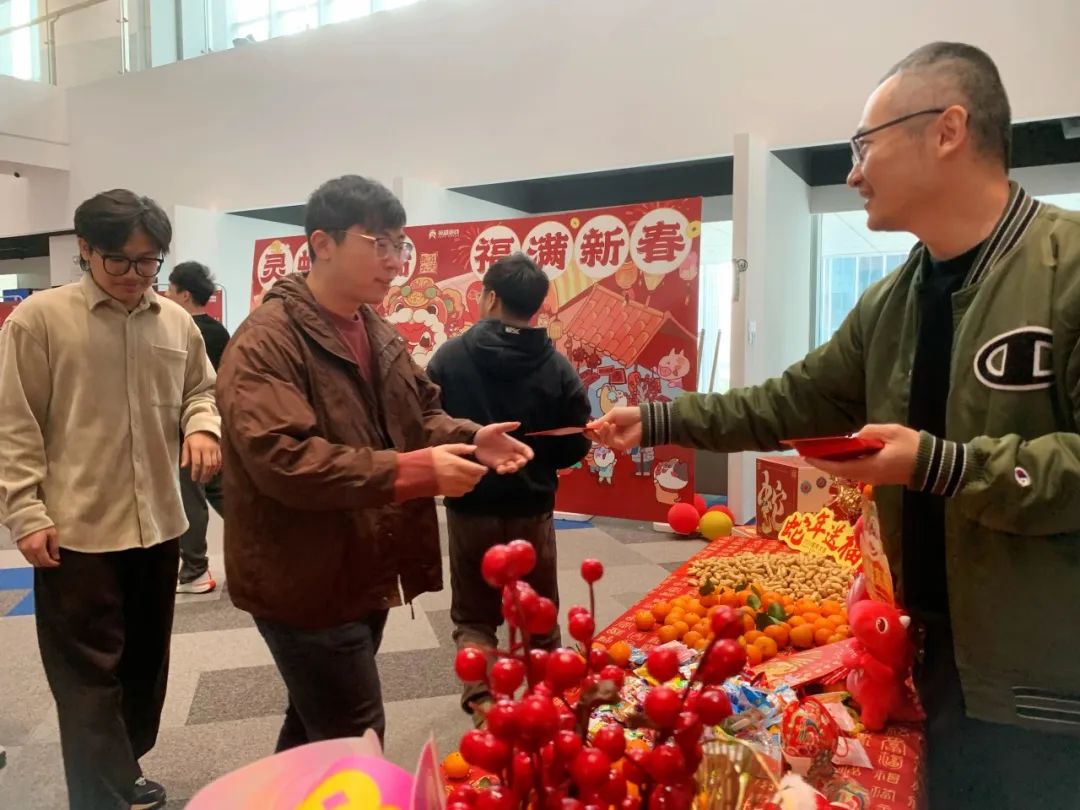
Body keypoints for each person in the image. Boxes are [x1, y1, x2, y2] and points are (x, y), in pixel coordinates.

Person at [591, 42, 1080, 807]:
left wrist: (940, 464)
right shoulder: (891, 302)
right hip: (927, 654)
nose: (853, 172)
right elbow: (791, 402)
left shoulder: (1067, 267)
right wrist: (658, 418)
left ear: (948, 130)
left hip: (1048, 678)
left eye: (864, 145)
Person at [215, 175, 534, 752]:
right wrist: (413, 472)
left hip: (363, 562)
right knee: (354, 733)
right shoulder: (267, 340)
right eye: (379, 243)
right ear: (322, 243)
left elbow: (420, 412)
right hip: (303, 577)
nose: (394, 260)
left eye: (399, 245)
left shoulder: (373, 325)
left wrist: (471, 438)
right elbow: (285, 461)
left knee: (316, 726)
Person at [0, 190, 221, 810]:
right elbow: (14, 424)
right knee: (87, 676)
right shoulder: (39, 320)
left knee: (144, 668)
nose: (133, 274)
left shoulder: (176, 322)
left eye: (148, 261)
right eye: (118, 260)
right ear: (85, 250)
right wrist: (25, 512)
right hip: (76, 529)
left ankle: (121, 769)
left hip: (158, 525)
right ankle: (99, 795)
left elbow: (200, 391)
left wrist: (202, 426)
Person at [427, 253, 590, 717]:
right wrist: (538, 463)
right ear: (536, 306)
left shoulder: (449, 357)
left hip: (468, 504)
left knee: (474, 616)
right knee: (539, 613)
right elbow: (576, 441)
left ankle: (481, 701)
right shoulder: (556, 365)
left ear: (490, 297)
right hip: (531, 507)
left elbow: (426, 421)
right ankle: (549, 702)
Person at [165, 260, 231, 593]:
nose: (166, 295)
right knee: (223, 491)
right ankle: (276, 544)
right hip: (217, 426)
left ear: (185, 294)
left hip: (188, 430)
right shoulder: (220, 331)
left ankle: (194, 570)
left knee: (189, 498)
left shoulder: (181, 332)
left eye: (170, 289)